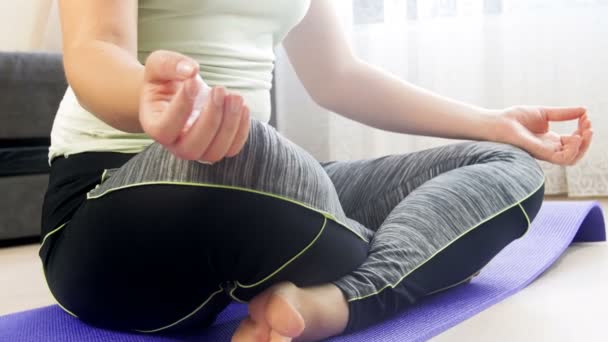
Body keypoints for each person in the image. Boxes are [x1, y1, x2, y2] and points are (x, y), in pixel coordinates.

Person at [40, 1, 593, 341]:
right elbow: (95, 47)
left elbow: (339, 75)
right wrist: (149, 98)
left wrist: (494, 122)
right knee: (275, 174)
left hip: (259, 184)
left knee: (506, 167)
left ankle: (333, 305)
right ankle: (389, 255)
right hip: (111, 200)